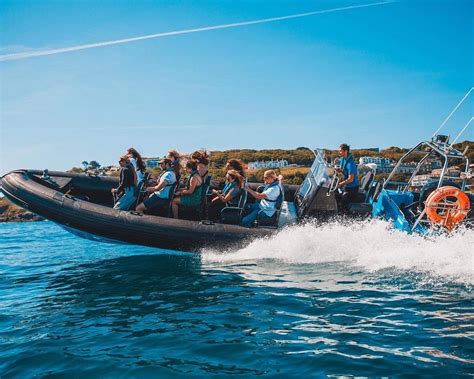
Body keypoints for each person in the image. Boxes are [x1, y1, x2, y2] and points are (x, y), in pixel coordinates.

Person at [336, 143, 359, 209]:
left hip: (352, 189)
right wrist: (338, 170)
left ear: (345, 151)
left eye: (340, 151)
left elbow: (350, 179)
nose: (339, 152)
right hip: (346, 186)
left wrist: (340, 184)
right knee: (336, 196)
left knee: (341, 202)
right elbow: (343, 169)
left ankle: (343, 216)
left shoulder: (350, 164)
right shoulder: (343, 159)